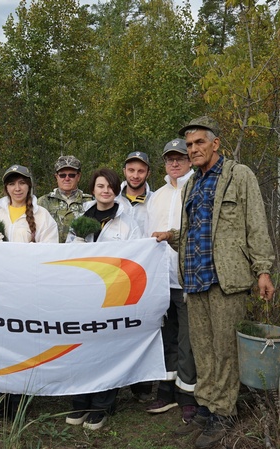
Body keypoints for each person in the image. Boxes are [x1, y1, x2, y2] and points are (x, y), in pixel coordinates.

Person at [167, 116, 275, 448]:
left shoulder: (239, 176)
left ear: (215, 144)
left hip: (227, 278)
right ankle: (206, 407)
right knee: (203, 350)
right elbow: (193, 232)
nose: (193, 149)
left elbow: (255, 223)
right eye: (189, 145)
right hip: (195, 280)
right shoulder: (190, 184)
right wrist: (169, 237)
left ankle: (224, 414)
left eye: (199, 142)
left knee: (225, 349)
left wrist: (264, 270)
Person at [64, 168, 143, 430]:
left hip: (113, 295)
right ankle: (80, 402)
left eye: (110, 186)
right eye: (100, 186)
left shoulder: (126, 222)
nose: (105, 191)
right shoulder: (81, 218)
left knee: (106, 348)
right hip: (82, 294)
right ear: (93, 189)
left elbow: (136, 257)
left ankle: (102, 405)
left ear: (116, 189)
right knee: (81, 346)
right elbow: (66, 253)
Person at [0, 164, 57, 419]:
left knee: (23, 346)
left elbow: (51, 253)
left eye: (22, 182)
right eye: (12, 183)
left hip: (27, 290)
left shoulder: (42, 215)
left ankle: (19, 402)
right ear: (6, 187)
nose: (17, 188)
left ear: (29, 185)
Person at [146, 139, 198, 422]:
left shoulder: (197, 189)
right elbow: (147, 237)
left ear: (189, 160)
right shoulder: (158, 195)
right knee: (166, 337)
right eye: (170, 159)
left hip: (188, 279)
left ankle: (187, 394)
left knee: (188, 339)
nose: (175, 163)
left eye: (180, 158)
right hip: (160, 280)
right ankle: (166, 391)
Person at [117, 150, 154, 401]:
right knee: (117, 327)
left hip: (146, 272)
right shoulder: (111, 195)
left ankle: (142, 386)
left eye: (141, 171)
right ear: (125, 172)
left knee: (142, 327)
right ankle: (115, 381)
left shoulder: (157, 199)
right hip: (115, 275)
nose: (136, 175)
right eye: (131, 170)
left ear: (148, 173)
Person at [38, 155, 92, 243]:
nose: (67, 179)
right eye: (62, 175)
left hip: (80, 254)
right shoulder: (43, 202)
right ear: (56, 177)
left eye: (71, 175)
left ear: (78, 177)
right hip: (51, 253)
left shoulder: (90, 202)